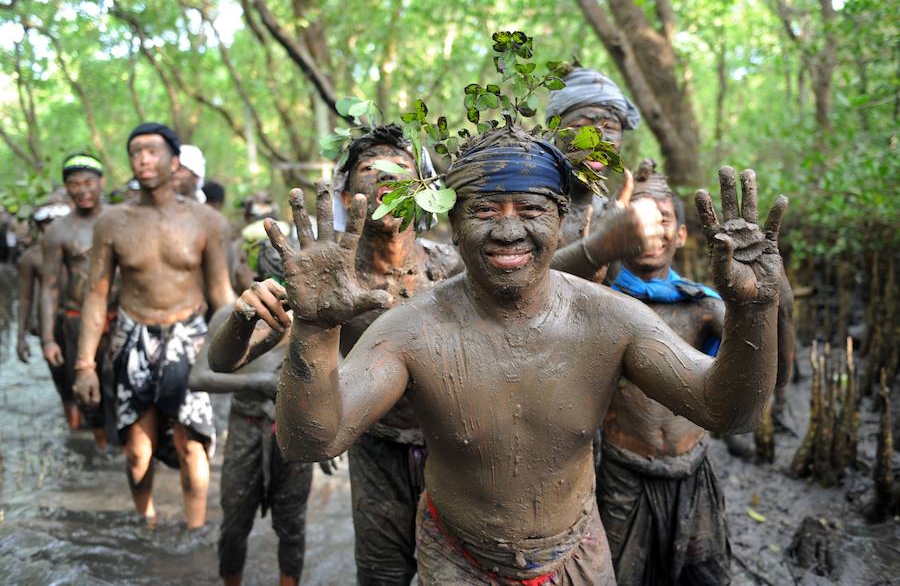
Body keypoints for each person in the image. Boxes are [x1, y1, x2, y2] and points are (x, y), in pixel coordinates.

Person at [232, 124, 787, 584]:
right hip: (457, 560)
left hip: (577, 557)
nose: (508, 228)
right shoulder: (412, 328)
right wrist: (316, 329)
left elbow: (727, 411)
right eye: (484, 210)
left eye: (529, 208)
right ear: (453, 221)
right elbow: (311, 441)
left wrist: (754, 310)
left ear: (559, 215)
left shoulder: (610, 318)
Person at [212, 125, 462, 584]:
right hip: (375, 441)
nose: (386, 176)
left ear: (425, 190)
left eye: (400, 167)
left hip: (452, 443)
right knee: (381, 572)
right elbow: (224, 362)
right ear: (347, 198)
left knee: (451, 570)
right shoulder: (327, 276)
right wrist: (244, 314)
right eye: (370, 168)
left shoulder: (451, 266)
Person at [593, 163, 794, 585]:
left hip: (693, 471)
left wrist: (773, 301)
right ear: (619, 229)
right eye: (639, 218)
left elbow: (774, 379)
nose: (653, 229)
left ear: (681, 235)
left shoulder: (703, 305)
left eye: (663, 219)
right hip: (620, 476)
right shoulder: (598, 305)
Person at [74, 122, 235, 528]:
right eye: (135, 152)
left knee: (192, 446)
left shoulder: (205, 222)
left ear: (174, 161)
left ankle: (194, 529)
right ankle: (146, 522)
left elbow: (222, 297)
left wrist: (242, 354)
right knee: (136, 451)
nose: (143, 158)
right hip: (133, 336)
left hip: (188, 335)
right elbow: (96, 295)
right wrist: (85, 366)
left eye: (152, 150)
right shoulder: (112, 222)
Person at [189, 278, 319, 585]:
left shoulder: (311, 319)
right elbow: (198, 378)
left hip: (294, 433)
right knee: (234, 523)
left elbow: (331, 376)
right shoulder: (233, 314)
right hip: (245, 425)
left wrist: (323, 434)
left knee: (292, 525)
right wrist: (255, 384)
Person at [547, 67, 653, 283]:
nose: (597, 138)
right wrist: (596, 249)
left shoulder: (618, 214)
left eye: (610, 127)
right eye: (579, 125)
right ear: (554, 132)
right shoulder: (525, 204)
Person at [40, 153, 112, 449]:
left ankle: (132, 449)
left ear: (101, 183)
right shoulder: (59, 231)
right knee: (85, 388)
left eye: (88, 183)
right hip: (77, 321)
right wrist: (47, 339)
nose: (82, 190)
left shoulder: (119, 219)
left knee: (127, 385)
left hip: (122, 316)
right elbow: (50, 287)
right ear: (66, 188)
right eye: (74, 184)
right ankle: (100, 445)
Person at [16, 202, 70, 374]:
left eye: (58, 221)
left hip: (81, 317)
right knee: (61, 376)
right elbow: (25, 298)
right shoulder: (31, 257)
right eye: (47, 222)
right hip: (51, 322)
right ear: (40, 227)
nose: (53, 226)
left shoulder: (82, 249)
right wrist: (21, 336)